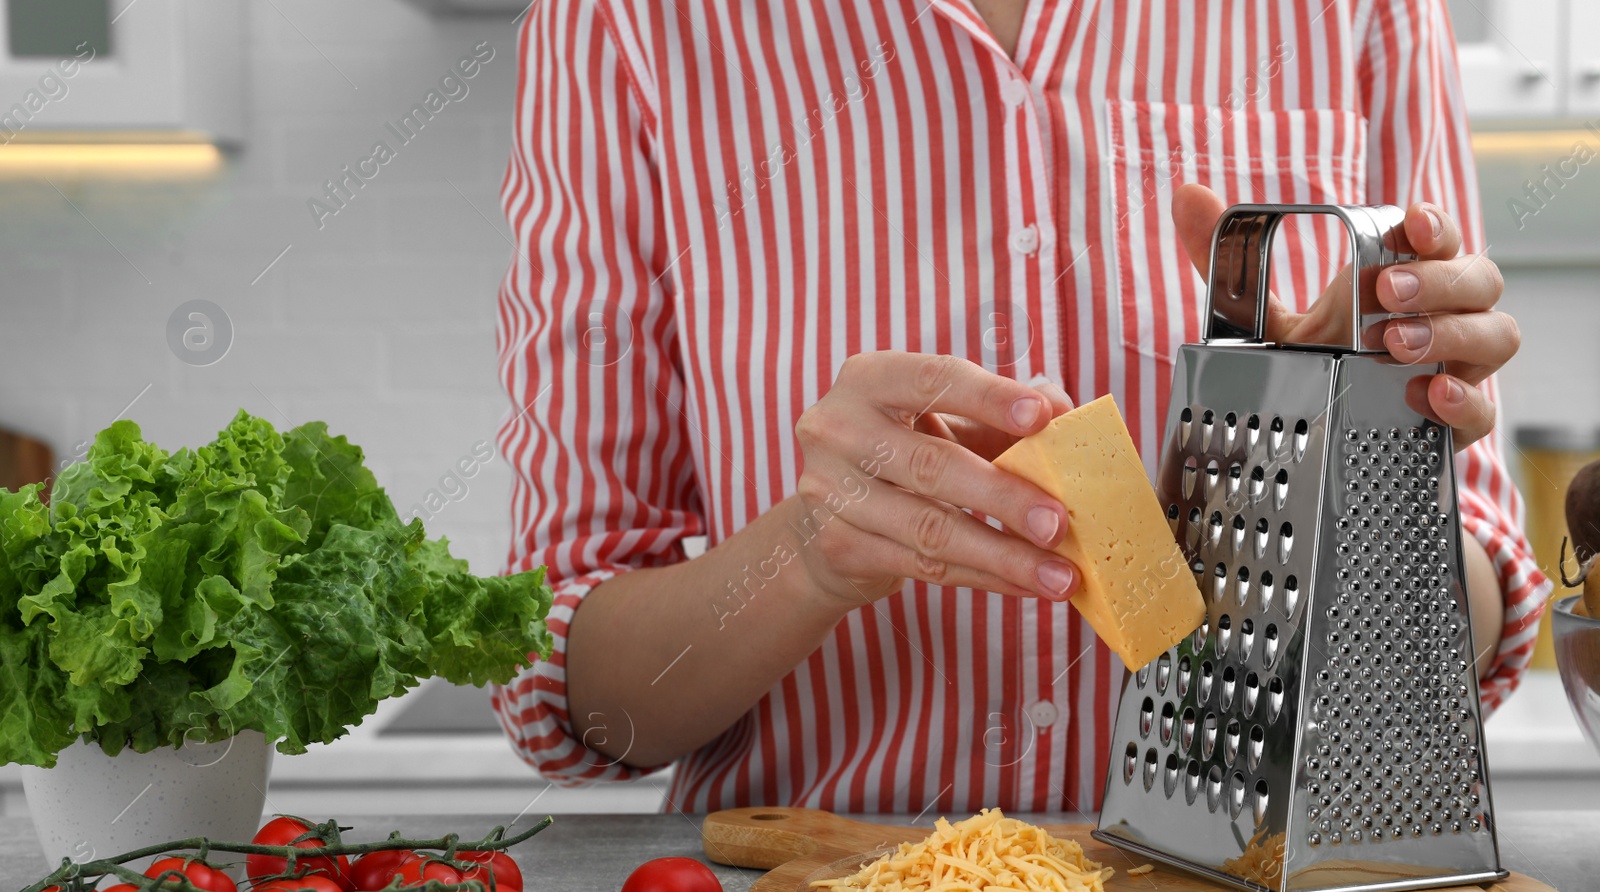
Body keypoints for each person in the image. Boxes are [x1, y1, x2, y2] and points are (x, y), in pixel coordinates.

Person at [490, 0, 1549, 815]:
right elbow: (578, 692)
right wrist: (808, 559)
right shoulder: (619, 20)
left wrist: (1348, 479)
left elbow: (1477, 620)